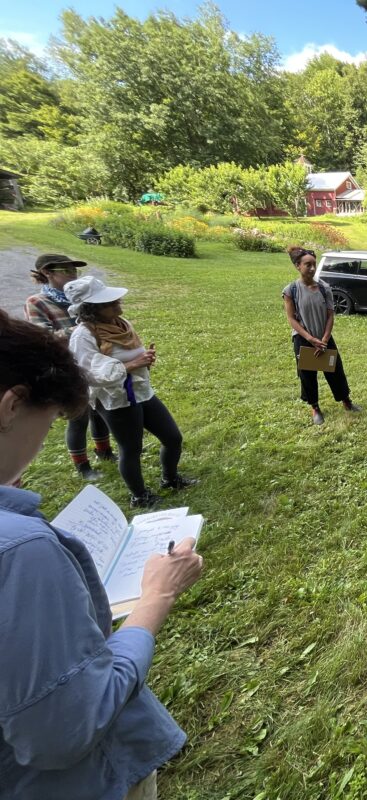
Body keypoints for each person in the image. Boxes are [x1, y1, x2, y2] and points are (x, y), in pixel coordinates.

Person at [0, 310, 204, 800]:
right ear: (11, 407)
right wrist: (156, 595)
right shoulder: (22, 551)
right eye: (47, 422)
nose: (41, 440)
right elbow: (65, 729)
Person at [66, 276, 196, 508]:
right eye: (111, 303)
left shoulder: (120, 323)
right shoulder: (83, 336)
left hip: (141, 392)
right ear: (92, 309)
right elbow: (89, 373)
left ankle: (170, 479)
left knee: (172, 437)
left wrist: (144, 359)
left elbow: (131, 353)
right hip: (117, 400)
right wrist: (131, 365)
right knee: (131, 448)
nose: (118, 305)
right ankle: (139, 495)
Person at [24, 253, 114, 481]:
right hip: (67, 366)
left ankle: (105, 451)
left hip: (92, 362)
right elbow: (43, 337)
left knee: (99, 410)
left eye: (74, 270)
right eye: (66, 270)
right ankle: (82, 466)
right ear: (47, 273)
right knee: (79, 415)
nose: (73, 274)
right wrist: (78, 330)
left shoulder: (82, 299)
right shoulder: (37, 303)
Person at [282, 246, 360, 424]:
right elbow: (291, 319)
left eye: (313, 264)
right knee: (307, 375)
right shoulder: (290, 290)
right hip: (303, 338)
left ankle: (346, 402)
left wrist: (324, 339)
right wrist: (310, 339)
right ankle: (315, 408)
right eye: (307, 264)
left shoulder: (324, 288)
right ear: (297, 266)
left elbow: (330, 315)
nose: (311, 268)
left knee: (335, 370)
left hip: (324, 338)